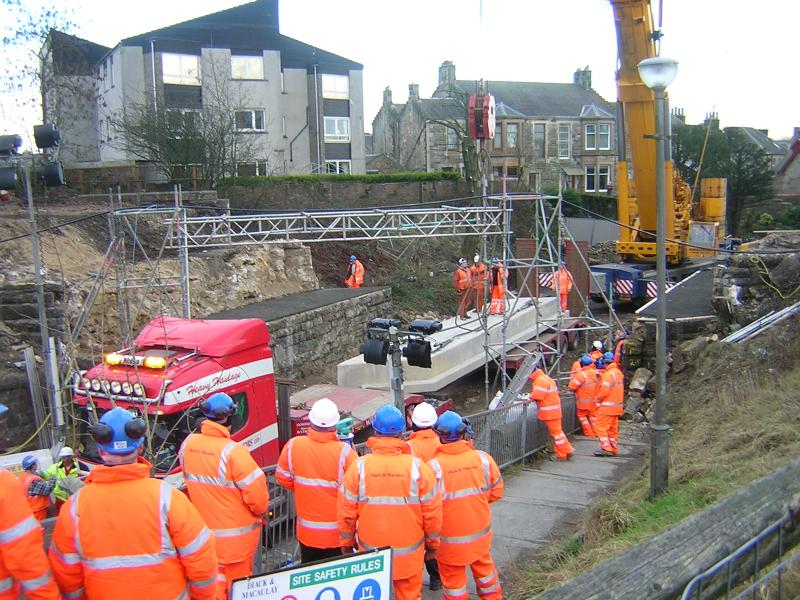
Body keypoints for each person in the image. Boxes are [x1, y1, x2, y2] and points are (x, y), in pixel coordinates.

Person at [49, 407, 218, 599]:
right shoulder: (168, 498)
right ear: (140, 448)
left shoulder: (74, 508)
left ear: (101, 451)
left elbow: (66, 575)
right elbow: (202, 561)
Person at [338, 404, 441, 600]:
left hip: (371, 556)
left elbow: (346, 513)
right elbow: (433, 514)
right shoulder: (418, 469)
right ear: (402, 433)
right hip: (409, 555)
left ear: (375, 431)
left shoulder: (359, 468)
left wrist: (346, 544)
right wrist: (432, 546)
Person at [180, 392, 269, 599]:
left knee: (211, 589)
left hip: (202, 540)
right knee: (237, 591)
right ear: (230, 418)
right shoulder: (233, 453)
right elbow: (258, 499)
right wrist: (261, 513)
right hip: (236, 547)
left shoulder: (188, 445)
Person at [430, 411, 504, 600]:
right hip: (479, 535)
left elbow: (429, 508)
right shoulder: (483, 459)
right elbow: (496, 492)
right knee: (486, 573)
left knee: (454, 584)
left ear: (440, 436)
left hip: (448, 543)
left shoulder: (433, 467)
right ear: (464, 432)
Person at [276, 397, 357, 564]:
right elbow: (358, 490)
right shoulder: (345, 453)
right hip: (337, 536)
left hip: (307, 535)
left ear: (311, 421)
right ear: (335, 425)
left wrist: (303, 489)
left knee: (311, 579)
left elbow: (282, 477)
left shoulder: (293, 446)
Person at [0, 403, 62, 600]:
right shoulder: (8, 484)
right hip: (35, 515)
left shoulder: (21, 478)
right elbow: (26, 561)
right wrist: (53, 480)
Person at [406, 401, 442, 591]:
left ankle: (414, 579)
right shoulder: (440, 441)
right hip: (439, 499)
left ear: (413, 422)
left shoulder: (409, 447)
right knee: (434, 541)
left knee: (418, 542)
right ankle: (436, 578)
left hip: (416, 500)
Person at [529, 367, 574, 460]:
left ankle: (562, 454)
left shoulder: (540, 380)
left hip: (549, 412)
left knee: (556, 434)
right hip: (554, 411)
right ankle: (567, 450)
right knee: (558, 433)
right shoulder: (545, 378)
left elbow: (538, 396)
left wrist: (530, 396)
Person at [594, 352, 624, 457]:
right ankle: (613, 448)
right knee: (612, 430)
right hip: (617, 407)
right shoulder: (618, 372)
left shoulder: (608, 375)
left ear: (604, 362)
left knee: (600, 428)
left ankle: (606, 448)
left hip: (607, 407)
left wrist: (597, 399)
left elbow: (604, 391)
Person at [41, 446, 82, 514]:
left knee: (73, 515)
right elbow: (47, 475)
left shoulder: (78, 467)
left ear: (70, 457)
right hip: (60, 498)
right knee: (60, 515)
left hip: (74, 497)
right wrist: (41, 474)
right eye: (62, 457)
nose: (63, 459)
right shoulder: (55, 467)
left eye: (65, 457)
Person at [568, 354, 599, 437]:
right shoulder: (594, 372)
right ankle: (596, 433)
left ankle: (589, 433)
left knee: (582, 416)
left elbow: (572, 386)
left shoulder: (581, 375)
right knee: (593, 417)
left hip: (583, 402)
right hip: (594, 401)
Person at [17, 456, 54, 520]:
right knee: (43, 528)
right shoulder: (33, 480)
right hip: (38, 511)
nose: (36, 465)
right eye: (35, 463)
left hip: (30, 509)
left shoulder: (23, 476)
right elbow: (46, 490)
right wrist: (53, 480)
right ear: (32, 466)